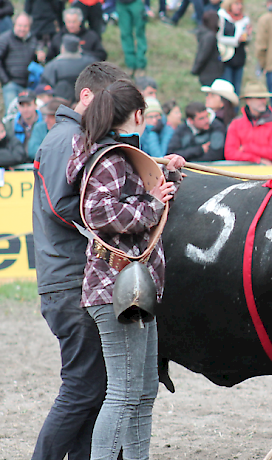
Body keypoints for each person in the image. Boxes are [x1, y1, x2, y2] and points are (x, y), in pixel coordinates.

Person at [64, 78, 185, 460]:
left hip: (129, 287)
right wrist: (152, 202)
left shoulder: (116, 155)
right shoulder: (111, 158)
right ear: (137, 115)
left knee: (143, 389)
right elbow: (100, 212)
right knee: (124, 393)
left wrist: (168, 183)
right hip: (114, 288)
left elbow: (140, 203)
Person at [31, 61, 131, 460]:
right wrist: (124, 214)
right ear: (86, 96)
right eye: (108, 104)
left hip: (72, 279)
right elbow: (63, 205)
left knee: (96, 388)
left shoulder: (75, 136)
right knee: (84, 387)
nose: (112, 115)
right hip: (70, 281)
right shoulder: (66, 139)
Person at [224, 82, 272, 164]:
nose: (263, 101)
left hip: (268, 174)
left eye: (264, 98)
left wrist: (246, 148)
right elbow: (229, 153)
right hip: (241, 173)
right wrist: (257, 160)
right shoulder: (236, 123)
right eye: (259, 98)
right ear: (248, 101)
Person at [0, 13, 39, 113]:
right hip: (11, 84)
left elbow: (35, 61)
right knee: (12, 113)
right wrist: (6, 80)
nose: (22, 29)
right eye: (20, 25)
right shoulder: (5, 39)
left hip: (29, 84)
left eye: (25, 26)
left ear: (29, 27)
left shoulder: (33, 40)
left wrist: (39, 57)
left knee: (28, 113)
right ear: (14, 25)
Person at [217, 0, 251, 95]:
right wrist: (236, 40)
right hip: (226, 57)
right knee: (227, 89)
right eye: (236, 4)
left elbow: (246, 39)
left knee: (237, 89)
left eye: (240, 4)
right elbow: (219, 37)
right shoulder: (222, 17)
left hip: (239, 57)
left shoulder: (244, 19)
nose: (239, 6)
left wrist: (248, 35)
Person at [202, 78, 239, 158]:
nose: (207, 98)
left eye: (212, 96)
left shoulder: (222, 123)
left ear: (223, 102)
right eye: (208, 95)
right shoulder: (208, 118)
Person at [191, 11, 224, 87]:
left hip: (207, 73)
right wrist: (195, 69)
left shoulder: (205, 34)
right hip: (210, 73)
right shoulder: (210, 37)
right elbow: (204, 54)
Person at [117, 0, 148, 76]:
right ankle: (130, 64)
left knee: (139, 33)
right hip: (121, 3)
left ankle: (140, 64)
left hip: (136, 2)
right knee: (125, 33)